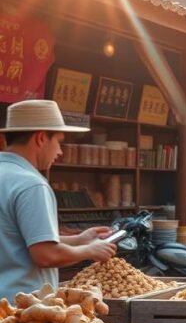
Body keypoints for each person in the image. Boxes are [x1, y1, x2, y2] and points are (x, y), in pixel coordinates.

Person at [0, 100, 117, 298]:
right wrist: (89, 250)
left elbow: (19, 239)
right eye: (58, 142)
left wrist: (78, 240)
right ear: (40, 138)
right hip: (22, 312)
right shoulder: (31, 184)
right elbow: (45, 255)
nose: (60, 151)